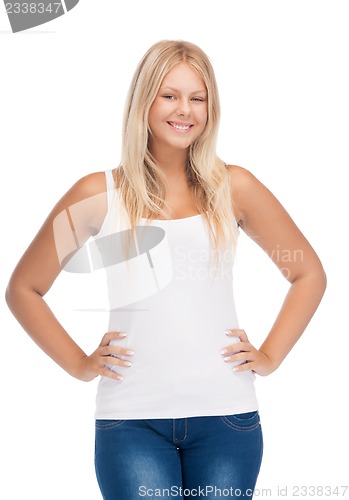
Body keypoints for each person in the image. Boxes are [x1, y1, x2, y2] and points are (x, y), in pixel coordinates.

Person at [5, 40, 326, 499]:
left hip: (227, 418)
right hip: (130, 421)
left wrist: (271, 356)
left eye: (198, 98)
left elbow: (308, 273)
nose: (185, 110)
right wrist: (79, 364)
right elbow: (24, 288)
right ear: (144, 101)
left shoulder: (235, 188)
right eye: (169, 95)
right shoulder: (98, 193)